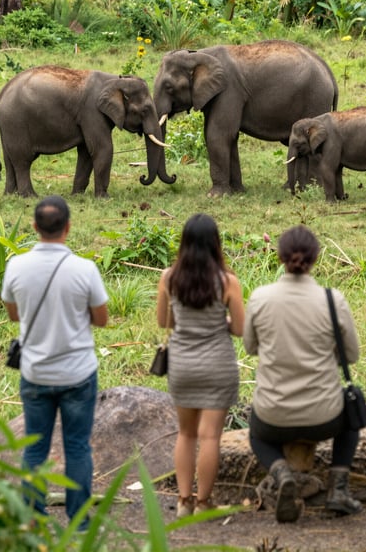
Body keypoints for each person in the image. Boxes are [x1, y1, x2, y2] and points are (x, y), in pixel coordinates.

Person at [1, 195, 109, 529]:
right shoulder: (85, 269)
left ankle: (33, 517)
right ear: (68, 228)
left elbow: (14, 314)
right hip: (78, 373)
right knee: (77, 447)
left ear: (35, 227)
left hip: (35, 372)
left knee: (34, 448)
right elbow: (102, 319)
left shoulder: (16, 266)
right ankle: (79, 520)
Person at [243, 225, 362, 523]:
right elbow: (351, 355)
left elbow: (250, 347)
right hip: (324, 417)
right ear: (316, 258)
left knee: (256, 432)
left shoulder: (260, 298)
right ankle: (338, 489)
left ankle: (281, 474)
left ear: (280, 256)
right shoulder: (333, 300)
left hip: (273, 416)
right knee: (352, 418)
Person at [157, 213, 245, 517]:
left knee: (186, 434)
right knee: (210, 436)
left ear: (184, 243)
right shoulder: (227, 281)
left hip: (182, 364)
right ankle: (204, 502)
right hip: (217, 365)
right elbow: (240, 329)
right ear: (215, 244)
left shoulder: (169, 278)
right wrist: (223, 321)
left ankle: (184, 501)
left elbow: (163, 321)